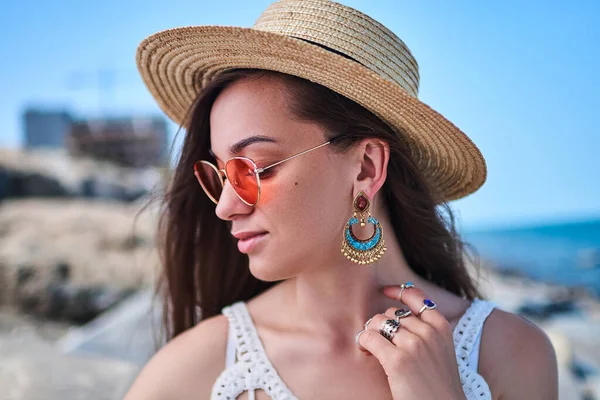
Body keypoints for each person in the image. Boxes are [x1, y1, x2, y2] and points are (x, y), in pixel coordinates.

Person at [125, 1, 558, 399]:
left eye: (254, 169)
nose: (225, 206)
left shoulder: (508, 354)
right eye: (220, 175)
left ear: (366, 168)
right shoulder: (193, 372)